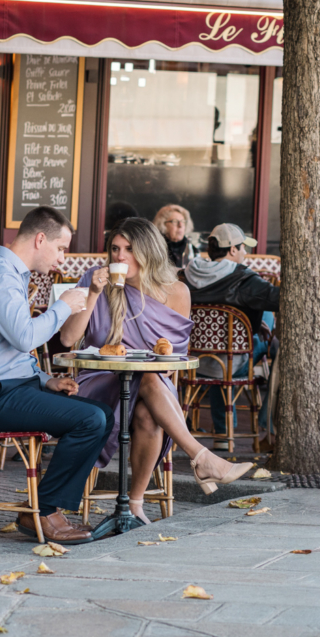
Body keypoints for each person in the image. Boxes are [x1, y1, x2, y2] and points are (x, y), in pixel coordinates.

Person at [60, 217, 252, 523]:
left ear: (147, 251)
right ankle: (202, 458)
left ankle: (134, 506)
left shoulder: (176, 291)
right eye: (115, 249)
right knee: (148, 378)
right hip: (100, 379)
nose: (119, 257)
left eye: (129, 249)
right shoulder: (94, 280)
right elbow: (68, 338)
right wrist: (94, 293)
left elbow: (172, 358)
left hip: (154, 390)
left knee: (149, 400)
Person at [0, 207, 102, 544]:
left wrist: (45, 379)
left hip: (6, 388)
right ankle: (45, 510)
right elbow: (24, 337)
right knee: (90, 419)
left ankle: (43, 506)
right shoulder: (1, 275)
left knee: (102, 412)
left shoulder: (11, 274)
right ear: (39, 239)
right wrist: (63, 306)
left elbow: (11, 351)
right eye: (61, 248)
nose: (62, 258)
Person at [183, 223, 280, 449]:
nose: (246, 253)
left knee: (224, 354)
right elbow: (280, 298)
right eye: (243, 247)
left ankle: (222, 434)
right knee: (277, 351)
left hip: (192, 360)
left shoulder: (187, 274)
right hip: (231, 360)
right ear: (233, 250)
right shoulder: (244, 279)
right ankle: (270, 427)